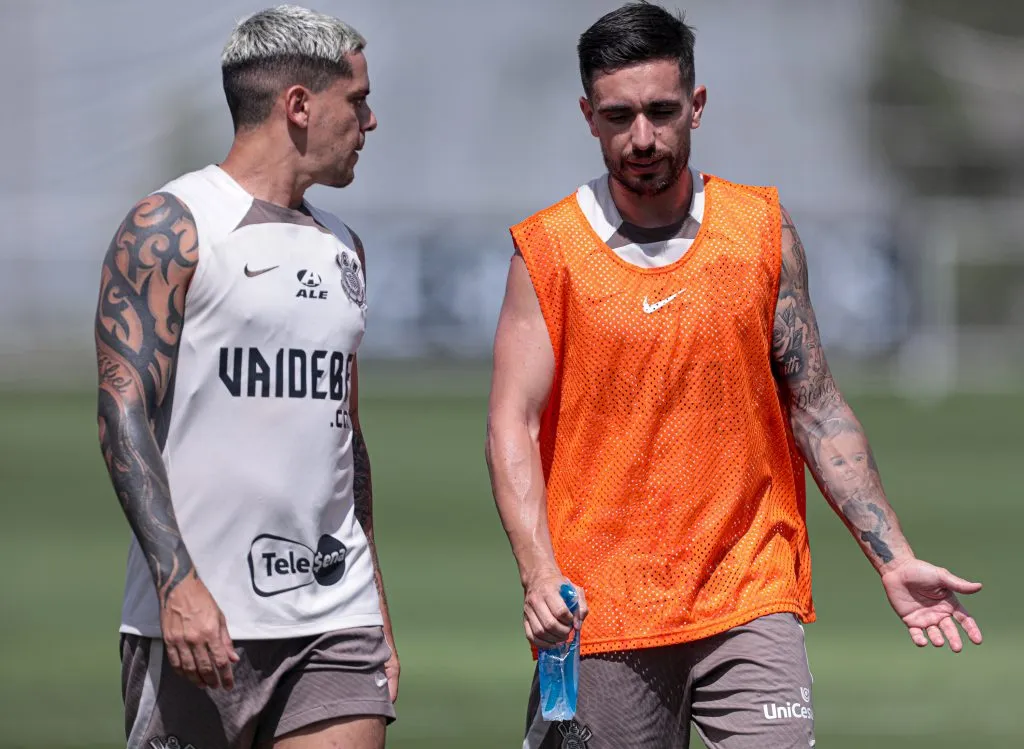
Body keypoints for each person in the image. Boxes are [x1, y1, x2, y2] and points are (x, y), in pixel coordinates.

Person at [484, 3, 984, 748]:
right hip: (603, 604)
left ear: (697, 105)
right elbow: (512, 424)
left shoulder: (759, 230)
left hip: (750, 591)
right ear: (589, 116)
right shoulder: (547, 250)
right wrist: (537, 573)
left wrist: (895, 556)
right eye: (619, 116)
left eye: (661, 111)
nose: (642, 138)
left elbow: (815, 404)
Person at [93, 6, 398, 748]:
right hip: (199, 621)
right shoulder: (172, 226)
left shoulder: (346, 248)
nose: (371, 121)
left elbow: (346, 439)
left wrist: (376, 604)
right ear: (299, 105)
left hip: (335, 614)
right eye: (357, 101)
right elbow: (123, 414)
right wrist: (177, 584)